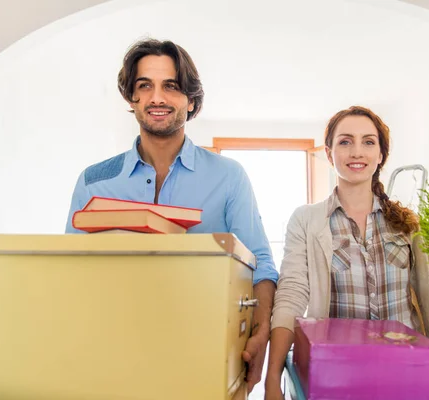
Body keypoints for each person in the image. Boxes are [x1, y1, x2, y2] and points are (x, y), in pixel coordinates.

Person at [64, 38, 277, 392]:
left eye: (171, 87)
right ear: (131, 99)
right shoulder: (94, 182)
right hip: (111, 360)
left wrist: (261, 333)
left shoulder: (229, 176)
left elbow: (262, 264)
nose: (157, 98)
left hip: (206, 358)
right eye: (144, 85)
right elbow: (73, 275)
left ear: (190, 100)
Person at [264, 106, 429, 399]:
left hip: (409, 372)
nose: (357, 152)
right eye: (345, 141)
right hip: (338, 377)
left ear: (380, 156)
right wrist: (272, 378)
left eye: (368, 142)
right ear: (329, 154)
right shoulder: (307, 220)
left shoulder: (409, 224)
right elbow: (291, 294)